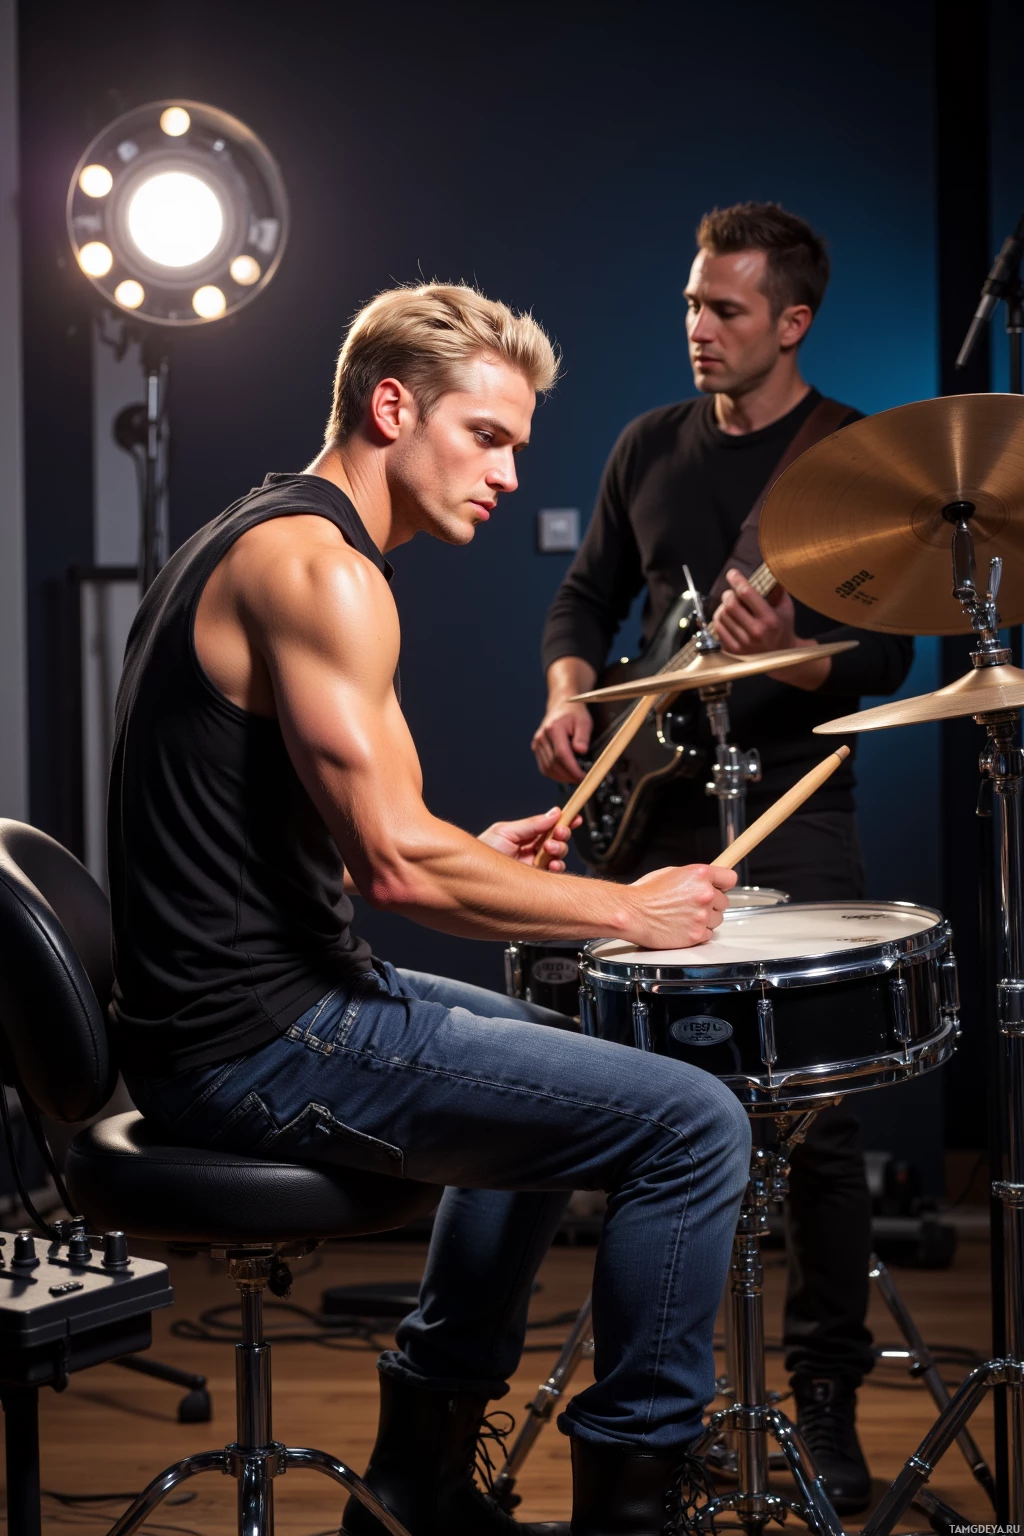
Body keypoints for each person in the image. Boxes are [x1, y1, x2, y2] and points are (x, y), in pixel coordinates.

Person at [107, 283, 753, 1536]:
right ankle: (632, 1505)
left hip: (247, 1009)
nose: (510, 472)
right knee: (696, 1125)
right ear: (391, 406)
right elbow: (398, 874)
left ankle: (413, 1483)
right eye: (488, 436)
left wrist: (485, 848)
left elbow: (376, 839)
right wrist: (619, 907)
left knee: (559, 1078)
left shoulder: (270, 536)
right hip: (254, 1039)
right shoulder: (323, 573)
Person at [532, 204, 915, 1513]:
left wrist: (789, 651)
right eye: (693, 305)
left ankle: (825, 1400)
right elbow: (587, 596)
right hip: (657, 824)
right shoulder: (648, 446)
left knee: (815, 1135)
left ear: (792, 323)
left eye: (728, 311)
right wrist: (573, 691)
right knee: (653, 1115)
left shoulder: (855, 455)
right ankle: (660, 1402)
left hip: (798, 818)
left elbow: (888, 662)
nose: (698, 329)